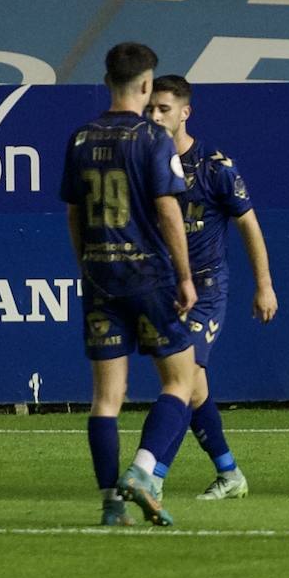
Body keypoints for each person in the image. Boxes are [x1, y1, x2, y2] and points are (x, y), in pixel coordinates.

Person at [60, 42, 197, 527]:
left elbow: (74, 214)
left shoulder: (79, 138)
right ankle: (141, 471)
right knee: (182, 380)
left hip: (99, 278)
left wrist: (86, 267)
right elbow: (168, 212)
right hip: (148, 276)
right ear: (145, 85)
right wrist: (184, 276)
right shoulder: (153, 138)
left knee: (106, 398)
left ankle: (110, 504)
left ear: (106, 82)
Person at [144, 74, 278, 500]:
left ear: (185, 113)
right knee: (193, 387)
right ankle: (230, 472)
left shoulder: (214, 166)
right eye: (150, 108)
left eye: (163, 108)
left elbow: (249, 226)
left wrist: (265, 286)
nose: (154, 115)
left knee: (185, 379)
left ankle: (153, 475)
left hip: (205, 290)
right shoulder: (144, 164)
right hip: (163, 290)